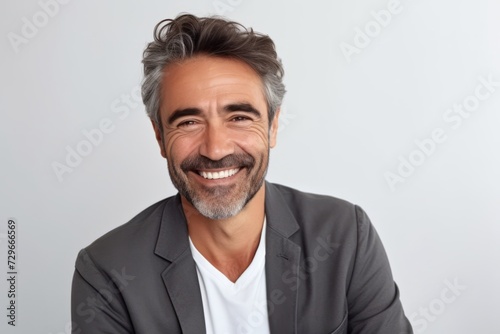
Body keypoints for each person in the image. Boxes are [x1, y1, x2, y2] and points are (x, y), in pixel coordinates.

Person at [71, 13, 413, 334]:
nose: (215, 149)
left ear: (273, 126)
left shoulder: (345, 236)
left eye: (239, 117)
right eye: (189, 122)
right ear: (160, 136)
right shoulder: (108, 271)